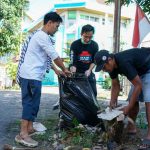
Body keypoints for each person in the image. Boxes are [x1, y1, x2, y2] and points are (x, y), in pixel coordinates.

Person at [15, 12, 70, 147]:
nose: (57, 30)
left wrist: (56, 70)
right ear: (49, 23)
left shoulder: (40, 37)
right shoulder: (42, 36)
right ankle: (23, 134)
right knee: (29, 103)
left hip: (33, 76)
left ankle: (29, 128)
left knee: (34, 103)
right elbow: (54, 55)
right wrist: (64, 69)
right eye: (56, 26)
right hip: (30, 76)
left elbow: (45, 57)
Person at [94, 48, 150, 149]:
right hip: (140, 72)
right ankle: (131, 128)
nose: (103, 70)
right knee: (132, 99)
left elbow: (138, 85)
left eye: (103, 66)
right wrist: (112, 103)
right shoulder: (111, 68)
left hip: (148, 67)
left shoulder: (124, 62)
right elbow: (115, 85)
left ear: (110, 60)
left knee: (148, 100)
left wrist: (128, 107)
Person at [69, 24, 99, 97]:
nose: (88, 39)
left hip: (88, 71)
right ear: (81, 34)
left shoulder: (94, 45)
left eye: (90, 37)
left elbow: (94, 61)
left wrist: (89, 70)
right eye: (86, 36)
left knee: (93, 93)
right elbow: (73, 59)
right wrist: (73, 68)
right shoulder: (75, 44)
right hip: (76, 71)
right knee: (75, 93)